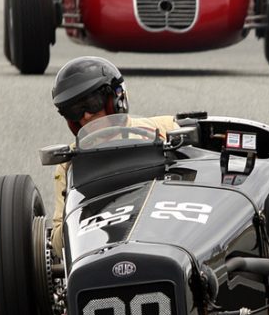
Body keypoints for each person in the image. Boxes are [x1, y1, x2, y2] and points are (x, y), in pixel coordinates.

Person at [49, 56, 178, 255]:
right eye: (75, 110)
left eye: (92, 102)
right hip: (101, 244)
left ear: (116, 99)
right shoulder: (68, 163)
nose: (86, 116)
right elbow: (58, 244)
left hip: (169, 223)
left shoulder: (166, 128)